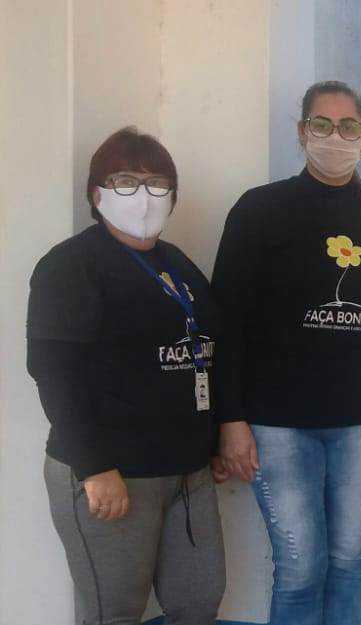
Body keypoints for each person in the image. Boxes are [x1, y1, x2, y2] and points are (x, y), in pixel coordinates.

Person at [212, 80, 361, 625]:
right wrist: (230, 420)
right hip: (278, 424)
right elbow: (226, 322)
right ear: (302, 132)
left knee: (349, 562)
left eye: (347, 126)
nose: (334, 136)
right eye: (322, 124)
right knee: (299, 566)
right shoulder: (259, 210)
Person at [28, 126, 225, 625]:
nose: (143, 196)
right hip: (112, 472)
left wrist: (215, 439)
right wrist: (94, 468)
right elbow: (54, 373)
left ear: (173, 196)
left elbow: (207, 351)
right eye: (125, 181)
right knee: (113, 613)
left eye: (157, 183)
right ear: (96, 195)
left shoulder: (177, 265)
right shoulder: (70, 266)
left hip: (187, 472)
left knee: (198, 602)